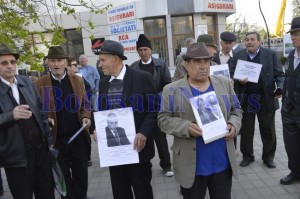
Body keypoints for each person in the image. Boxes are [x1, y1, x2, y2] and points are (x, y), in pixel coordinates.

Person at [157, 42, 242, 199]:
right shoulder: (171, 90)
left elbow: (236, 110)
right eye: (197, 61)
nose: (203, 66)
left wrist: (233, 125)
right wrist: (186, 127)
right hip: (191, 166)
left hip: (221, 162)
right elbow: (163, 119)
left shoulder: (224, 83)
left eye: (206, 61)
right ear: (186, 64)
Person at [97, 40, 157, 199]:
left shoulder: (142, 77)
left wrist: (143, 132)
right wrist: (97, 129)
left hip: (138, 149)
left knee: (142, 191)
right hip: (114, 151)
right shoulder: (103, 83)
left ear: (115, 59)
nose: (100, 64)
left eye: (103, 60)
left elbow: (154, 109)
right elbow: (102, 112)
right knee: (120, 192)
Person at [35, 46, 91, 199]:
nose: (56, 64)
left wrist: (86, 116)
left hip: (77, 137)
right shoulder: (40, 83)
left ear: (66, 62)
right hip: (56, 140)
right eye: (52, 61)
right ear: (47, 63)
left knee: (81, 175)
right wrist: (45, 119)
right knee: (63, 178)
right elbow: (37, 111)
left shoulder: (77, 80)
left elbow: (85, 103)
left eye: (59, 60)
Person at [0, 44, 54, 199]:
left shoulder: (27, 82)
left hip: (40, 151)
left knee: (46, 193)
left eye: (12, 62)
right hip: (15, 157)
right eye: (4, 63)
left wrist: (49, 143)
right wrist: (11, 115)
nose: (10, 66)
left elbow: (41, 111)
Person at [230, 31, 285, 168]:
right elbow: (230, 73)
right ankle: (247, 156)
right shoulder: (238, 55)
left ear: (259, 41)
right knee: (246, 129)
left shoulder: (270, 54)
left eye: (252, 39)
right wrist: (238, 80)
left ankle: (268, 157)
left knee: (268, 129)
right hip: (247, 98)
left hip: (266, 97)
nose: (249, 42)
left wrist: (281, 88)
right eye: (247, 39)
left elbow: (280, 74)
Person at [130, 34, 174, 177]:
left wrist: (156, 97)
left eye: (146, 49)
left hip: (157, 108)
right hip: (141, 110)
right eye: (140, 50)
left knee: (161, 139)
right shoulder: (133, 67)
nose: (143, 53)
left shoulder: (160, 65)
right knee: (141, 137)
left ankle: (166, 165)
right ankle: (143, 165)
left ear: (150, 50)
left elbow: (168, 84)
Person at [280, 16, 300, 185]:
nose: (292, 37)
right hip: (289, 110)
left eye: (296, 33)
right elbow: (287, 78)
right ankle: (295, 172)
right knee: (291, 145)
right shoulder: (292, 54)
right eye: (292, 33)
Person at [67, 57, 93, 167]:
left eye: (76, 64)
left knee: (85, 136)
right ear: (67, 66)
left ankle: (87, 157)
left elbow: (88, 88)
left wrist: (84, 98)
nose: (76, 66)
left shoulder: (79, 77)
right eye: (73, 65)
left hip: (80, 112)